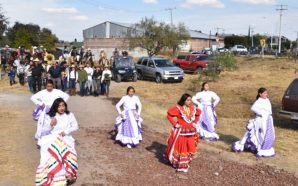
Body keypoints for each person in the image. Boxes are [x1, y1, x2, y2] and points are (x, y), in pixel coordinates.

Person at [35, 98, 78, 185]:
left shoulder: (69, 115)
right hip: (52, 139)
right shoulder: (50, 116)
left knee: (69, 157)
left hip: (66, 138)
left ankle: (66, 175)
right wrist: (51, 125)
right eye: (59, 106)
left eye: (63, 106)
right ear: (55, 107)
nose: (61, 108)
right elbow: (43, 131)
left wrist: (66, 132)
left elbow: (75, 126)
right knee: (52, 157)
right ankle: (56, 178)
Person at [232, 87, 275, 157]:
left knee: (270, 134)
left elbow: (269, 110)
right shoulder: (259, 101)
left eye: (266, 93)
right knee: (261, 134)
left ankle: (266, 147)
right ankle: (260, 148)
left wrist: (268, 115)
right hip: (261, 120)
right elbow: (253, 108)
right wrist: (262, 113)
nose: (266, 94)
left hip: (268, 120)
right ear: (260, 94)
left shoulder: (267, 100)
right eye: (264, 93)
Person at [164, 93, 201, 172]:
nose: (189, 102)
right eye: (188, 100)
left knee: (191, 146)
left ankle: (186, 161)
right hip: (181, 131)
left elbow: (198, 114)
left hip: (190, 131)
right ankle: (181, 164)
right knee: (182, 147)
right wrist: (175, 124)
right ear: (183, 101)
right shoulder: (179, 108)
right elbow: (169, 115)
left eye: (190, 100)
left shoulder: (193, 108)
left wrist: (195, 122)